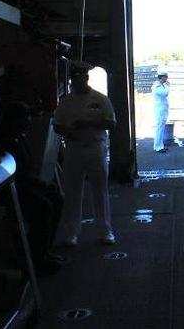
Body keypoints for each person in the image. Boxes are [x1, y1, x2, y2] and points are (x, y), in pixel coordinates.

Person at [0, 100, 64, 275]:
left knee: (56, 198)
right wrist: (38, 183)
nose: (29, 121)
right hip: (13, 190)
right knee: (43, 207)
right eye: (26, 117)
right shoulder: (5, 141)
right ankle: (36, 258)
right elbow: (15, 174)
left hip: (24, 185)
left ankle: (45, 250)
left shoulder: (20, 137)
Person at [54, 61, 117, 246]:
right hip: (74, 148)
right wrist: (68, 130)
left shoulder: (100, 99)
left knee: (100, 190)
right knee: (72, 192)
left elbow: (111, 123)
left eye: (81, 77)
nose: (78, 81)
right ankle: (71, 233)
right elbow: (57, 124)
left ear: (87, 78)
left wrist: (88, 124)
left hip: (95, 148)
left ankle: (105, 231)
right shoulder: (66, 101)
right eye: (75, 78)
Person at [151, 72, 170, 152]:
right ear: (161, 77)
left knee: (161, 128)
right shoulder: (157, 86)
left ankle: (160, 145)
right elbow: (165, 93)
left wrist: (166, 86)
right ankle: (157, 146)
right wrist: (168, 86)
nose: (166, 78)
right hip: (159, 109)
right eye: (165, 77)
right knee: (159, 128)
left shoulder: (162, 85)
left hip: (163, 109)